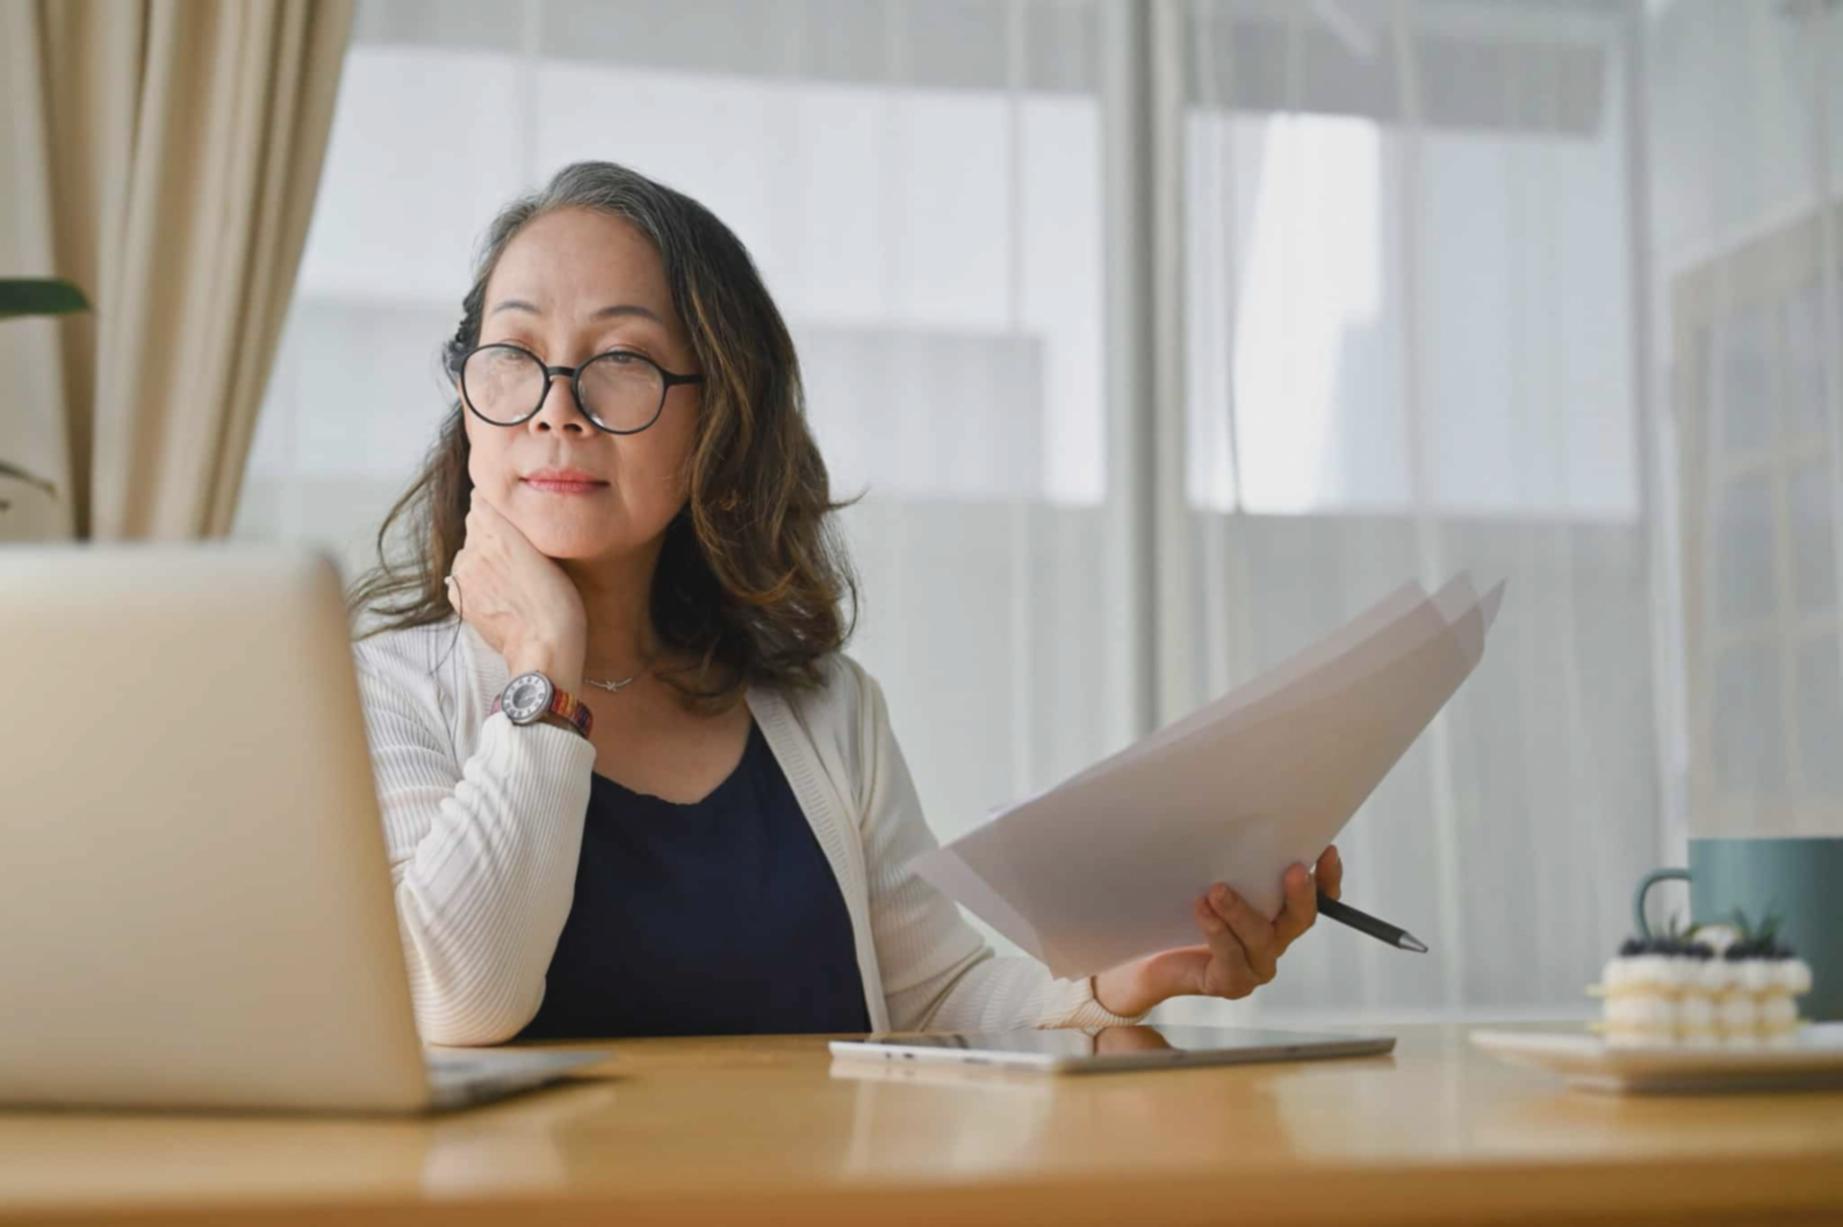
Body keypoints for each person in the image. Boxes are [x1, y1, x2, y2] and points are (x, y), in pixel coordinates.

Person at [347, 161, 1343, 1046]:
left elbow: (938, 995)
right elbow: (456, 1002)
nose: (556, 404)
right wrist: (543, 676)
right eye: (513, 355)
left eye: (622, 363)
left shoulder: (827, 710)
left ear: (716, 422)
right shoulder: (383, 692)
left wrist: (1117, 985)